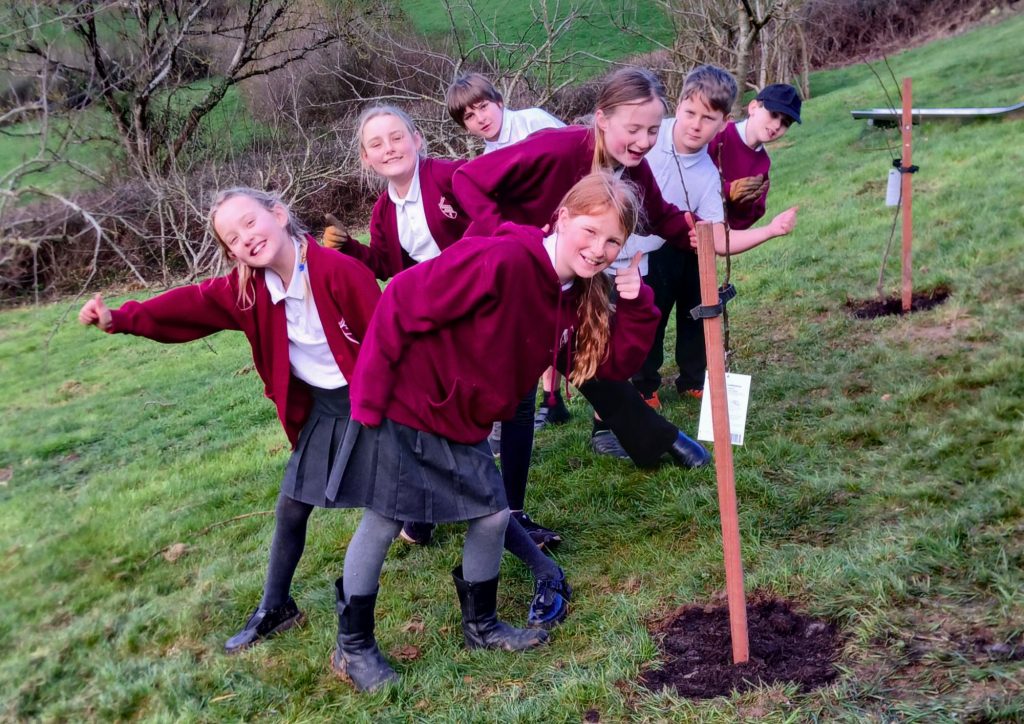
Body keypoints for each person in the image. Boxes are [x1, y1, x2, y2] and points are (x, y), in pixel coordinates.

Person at [329, 172, 660, 692]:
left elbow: (606, 366)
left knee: (493, 514)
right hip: (411, 401)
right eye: (590, 232)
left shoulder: (575, 293)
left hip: (465, 420)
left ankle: (481, 626)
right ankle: (353, 647)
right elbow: (400, 299)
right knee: (385, 517)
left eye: (613, 241)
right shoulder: (501, 260)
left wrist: (637, 303)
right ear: (563, 217)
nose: (598, 250)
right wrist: (369, 400)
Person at [78, 187, 381, 654]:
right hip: (323, 411)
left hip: (373, 402)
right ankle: (276, 606)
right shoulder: (249, 291)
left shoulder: (342, 273)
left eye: (250, 222)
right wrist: (120, 317)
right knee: (292, 504)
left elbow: (387, 346)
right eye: (232, 238)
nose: (246, 238)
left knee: (428, 487)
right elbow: (188, 305)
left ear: (278, 214)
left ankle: (499, 546)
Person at [323, 104, 572, 630]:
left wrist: (482, 263)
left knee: (508, 415)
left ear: (417, 139)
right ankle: (437, 523)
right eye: (377, 144)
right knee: (449, 453)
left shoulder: (448, 179)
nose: (390, 148)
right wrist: (354, 251)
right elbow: (392, 269)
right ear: (367, 159)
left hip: (486, 309)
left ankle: (510, 511)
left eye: (397, 137)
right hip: (435, 334)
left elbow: (492, 219)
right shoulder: (383, 211)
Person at [452, 66, 711, 471]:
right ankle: (445, 498)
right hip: (498, 276)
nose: (644, 141)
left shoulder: (631, 168)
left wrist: (698, 232)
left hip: (557, 285)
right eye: (634, 129)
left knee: (587, 360)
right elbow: (468, 178)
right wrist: (510, 235)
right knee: (504, 381)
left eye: (653, 131)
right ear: (603, 119)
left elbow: (661, 216)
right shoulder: (561, 147)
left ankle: (654, 439)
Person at [618, 66, 798, 405]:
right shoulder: (649, 139)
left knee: (696, 309)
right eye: (690, 113)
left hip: (687, 244)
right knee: (646, 317)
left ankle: (692, 377)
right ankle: (642, 385)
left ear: (722, 121)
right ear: (679, 104)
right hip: (634, 252)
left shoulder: (708, 175)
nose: (696, 125)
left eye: (707, 118)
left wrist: (771, 229)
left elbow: (720, 239)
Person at [445, 73, 568, 543]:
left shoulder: (537, 124)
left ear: (499, 100)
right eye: (469, 117)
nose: (480, 119)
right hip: (528, 263)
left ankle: (613, 423)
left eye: (483, 107)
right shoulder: (483, 162)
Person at [708, 83, 802, 231]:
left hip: (712, 239)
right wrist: (728, 190)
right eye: (773, 114)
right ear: (753, 107)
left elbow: (740, 225)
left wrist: (742, 204)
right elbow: (691, 177)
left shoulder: (762, 165)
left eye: (785, 123)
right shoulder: (718, 134)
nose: (777, 125)